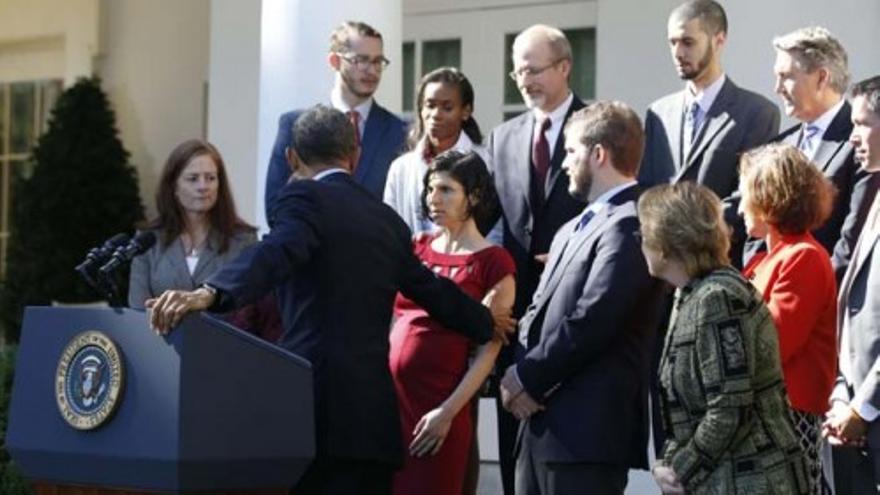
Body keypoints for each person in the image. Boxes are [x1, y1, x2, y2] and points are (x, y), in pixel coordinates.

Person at [146, 105, 514, 495]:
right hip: (373, 426)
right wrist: (485, 321)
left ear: (292, 157)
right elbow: (432, 290)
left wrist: (209, 292)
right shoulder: (386, 220)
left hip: (313, 421)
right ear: (354, 155)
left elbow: (274, 253)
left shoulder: (303, 198)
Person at [498, 101, 665, 495]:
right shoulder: (573, 227)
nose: (565, 162)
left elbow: (594, 319)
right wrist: (518, 381)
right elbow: (536, 312)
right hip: (537, 428)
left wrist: (527, 378)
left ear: (599, 154)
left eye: (571, 152)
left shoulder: (631, 223)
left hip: (585, 435)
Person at [638, 182, 809, 494]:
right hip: (721, 478)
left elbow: (730, 409)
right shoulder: (689, 292)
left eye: (642, 234)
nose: (641, 244)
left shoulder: (717, 298)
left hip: (754, 482)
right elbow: (689, 415)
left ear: (664, 244)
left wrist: (680, 471)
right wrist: (668, 465)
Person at [487, 25, 586, 493]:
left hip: (574, 316)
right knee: (514, 459)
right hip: (513, 319)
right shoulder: (502, 137)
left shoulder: (597, 126)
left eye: (533, 69)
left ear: (564, 67)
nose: (524, 80)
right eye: (517, 71)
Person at [389, 150, 515, 495]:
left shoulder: (493, 262)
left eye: (446, 190)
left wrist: (446, 412)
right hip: (393, 404)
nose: (434, 199)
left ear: (473, 196)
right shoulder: (416, 247)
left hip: (442, 408)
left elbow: (487, 353)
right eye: (430, 189)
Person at [639, 0, 779, 264]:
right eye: (672, 43)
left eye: (688, 42)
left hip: (720, 266)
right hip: (662, 275)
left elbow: (748, 197)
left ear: (718, 40)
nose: (678, 52)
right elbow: (647, 187)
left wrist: (682, 236)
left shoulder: (757, 113)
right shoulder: (658, 113)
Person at [739, 143, 838, 492]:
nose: (739, 207)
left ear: (770, 198)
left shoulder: (804, 257)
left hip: (786, 421)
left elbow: (773, 342)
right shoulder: (766, 259)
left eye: (746, 195)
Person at [264, 20, 406, 218]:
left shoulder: (400, 131)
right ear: (335, 61)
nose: (372, 70)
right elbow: (275, 206)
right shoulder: (295, 124)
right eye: (361, 60)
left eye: (377, 61)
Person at [765, 26, 872, 279]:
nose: (777, 87)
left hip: (823, 299)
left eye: (786, 76)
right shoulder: (780, 145)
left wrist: (813, 295)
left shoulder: (863, 141)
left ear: (821, 78)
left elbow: (852, 240)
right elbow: (757, 226)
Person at [824, 75, 880, 493]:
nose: (852, 137)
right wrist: (845, 395)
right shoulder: (875, 196)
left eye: (861, 124)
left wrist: (865, 406)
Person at [128, 139, 256, 310]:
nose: (203, 186)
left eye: (210, 178)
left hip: (222, 336)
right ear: (174, 186)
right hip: (158, 336)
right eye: (193, 179)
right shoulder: (148, 239)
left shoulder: (243, 239)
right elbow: (138, 308)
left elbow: (251, 308)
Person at [384, 67, 489, 236]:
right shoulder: (401, 168)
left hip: (470, 260)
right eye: (430, 106)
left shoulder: (486, 162)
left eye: (447, 108)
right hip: (411, 261)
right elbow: (389, 229)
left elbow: (495, 232)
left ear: (466, 111)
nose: (436, 115)